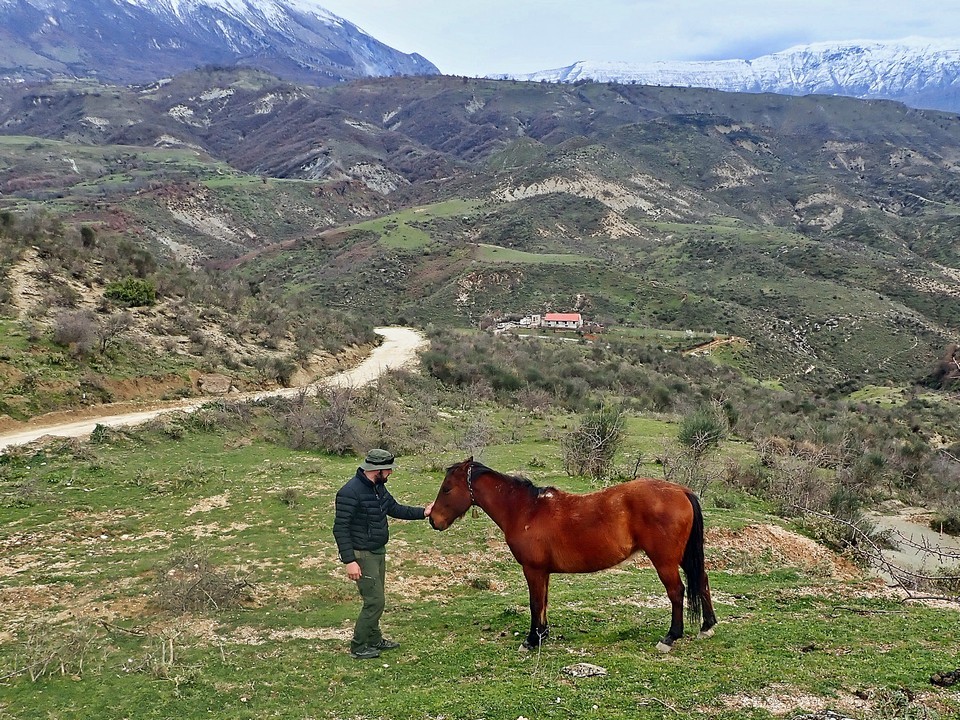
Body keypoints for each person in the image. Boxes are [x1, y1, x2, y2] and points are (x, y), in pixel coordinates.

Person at [333, 448, 434, 659]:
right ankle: (359, 646)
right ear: (376, 470)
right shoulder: (349, 492)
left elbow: (395, 509)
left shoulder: (378, 488)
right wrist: (349, 561)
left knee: (376, 599)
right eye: (388, 470)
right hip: (362, 555)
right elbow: (340, 528)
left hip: (378, 552)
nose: (390, 473)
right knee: (375, 601)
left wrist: (423, 513)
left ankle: (374, 639)